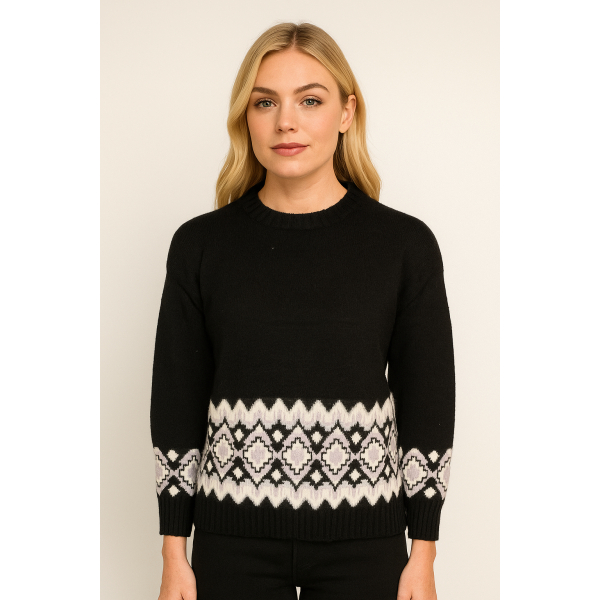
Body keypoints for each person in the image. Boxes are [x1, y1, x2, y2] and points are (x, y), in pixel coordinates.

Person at [150, 21, 455, 600]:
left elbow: (428, 401)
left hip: (365, 541)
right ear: (246, 117)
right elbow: (176, 401)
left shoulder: (403, 246)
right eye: (265, 102)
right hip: (230, 541)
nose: (285, 122)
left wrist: (423, 553)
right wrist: (173, 553)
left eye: (309, 100)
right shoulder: (200, 246)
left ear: (346, 112)